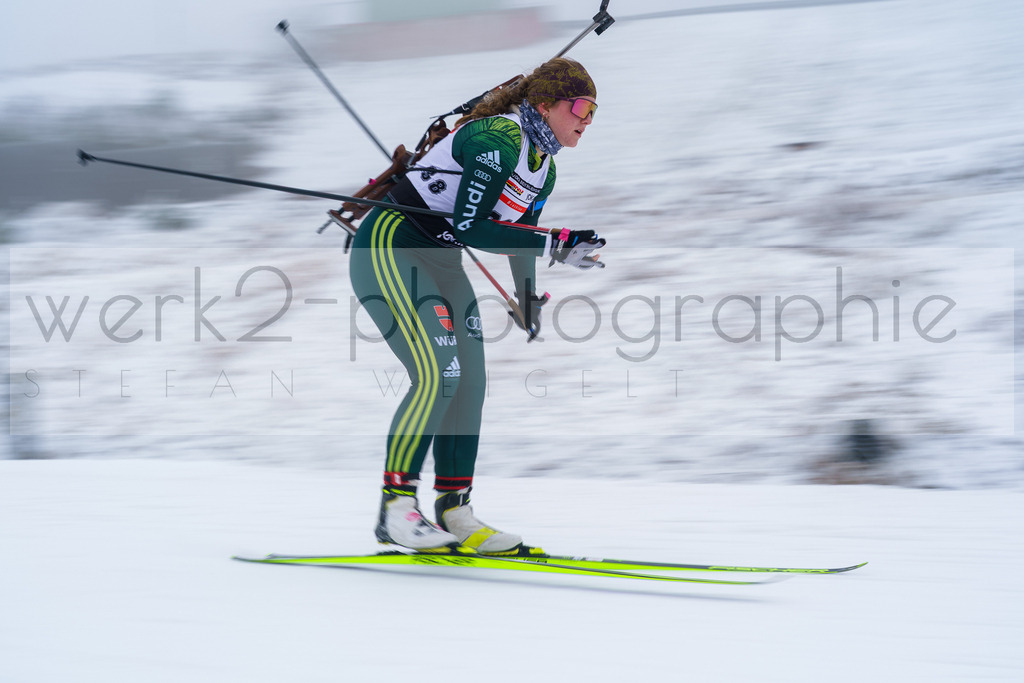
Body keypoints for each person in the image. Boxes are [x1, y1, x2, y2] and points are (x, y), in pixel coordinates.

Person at [348, 57, 605, 554]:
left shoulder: (544, 168)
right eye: (580, 108)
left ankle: (455, 511)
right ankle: (396, 508)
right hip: (392, 246)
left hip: (440, 261)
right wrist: (556, 244)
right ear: (544, 104)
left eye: (594, 112)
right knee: (439, 373)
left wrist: (527, 298)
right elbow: (472, 227)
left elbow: (518, 235)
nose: (587, 121)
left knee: (470, 382)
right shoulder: (499, 140)